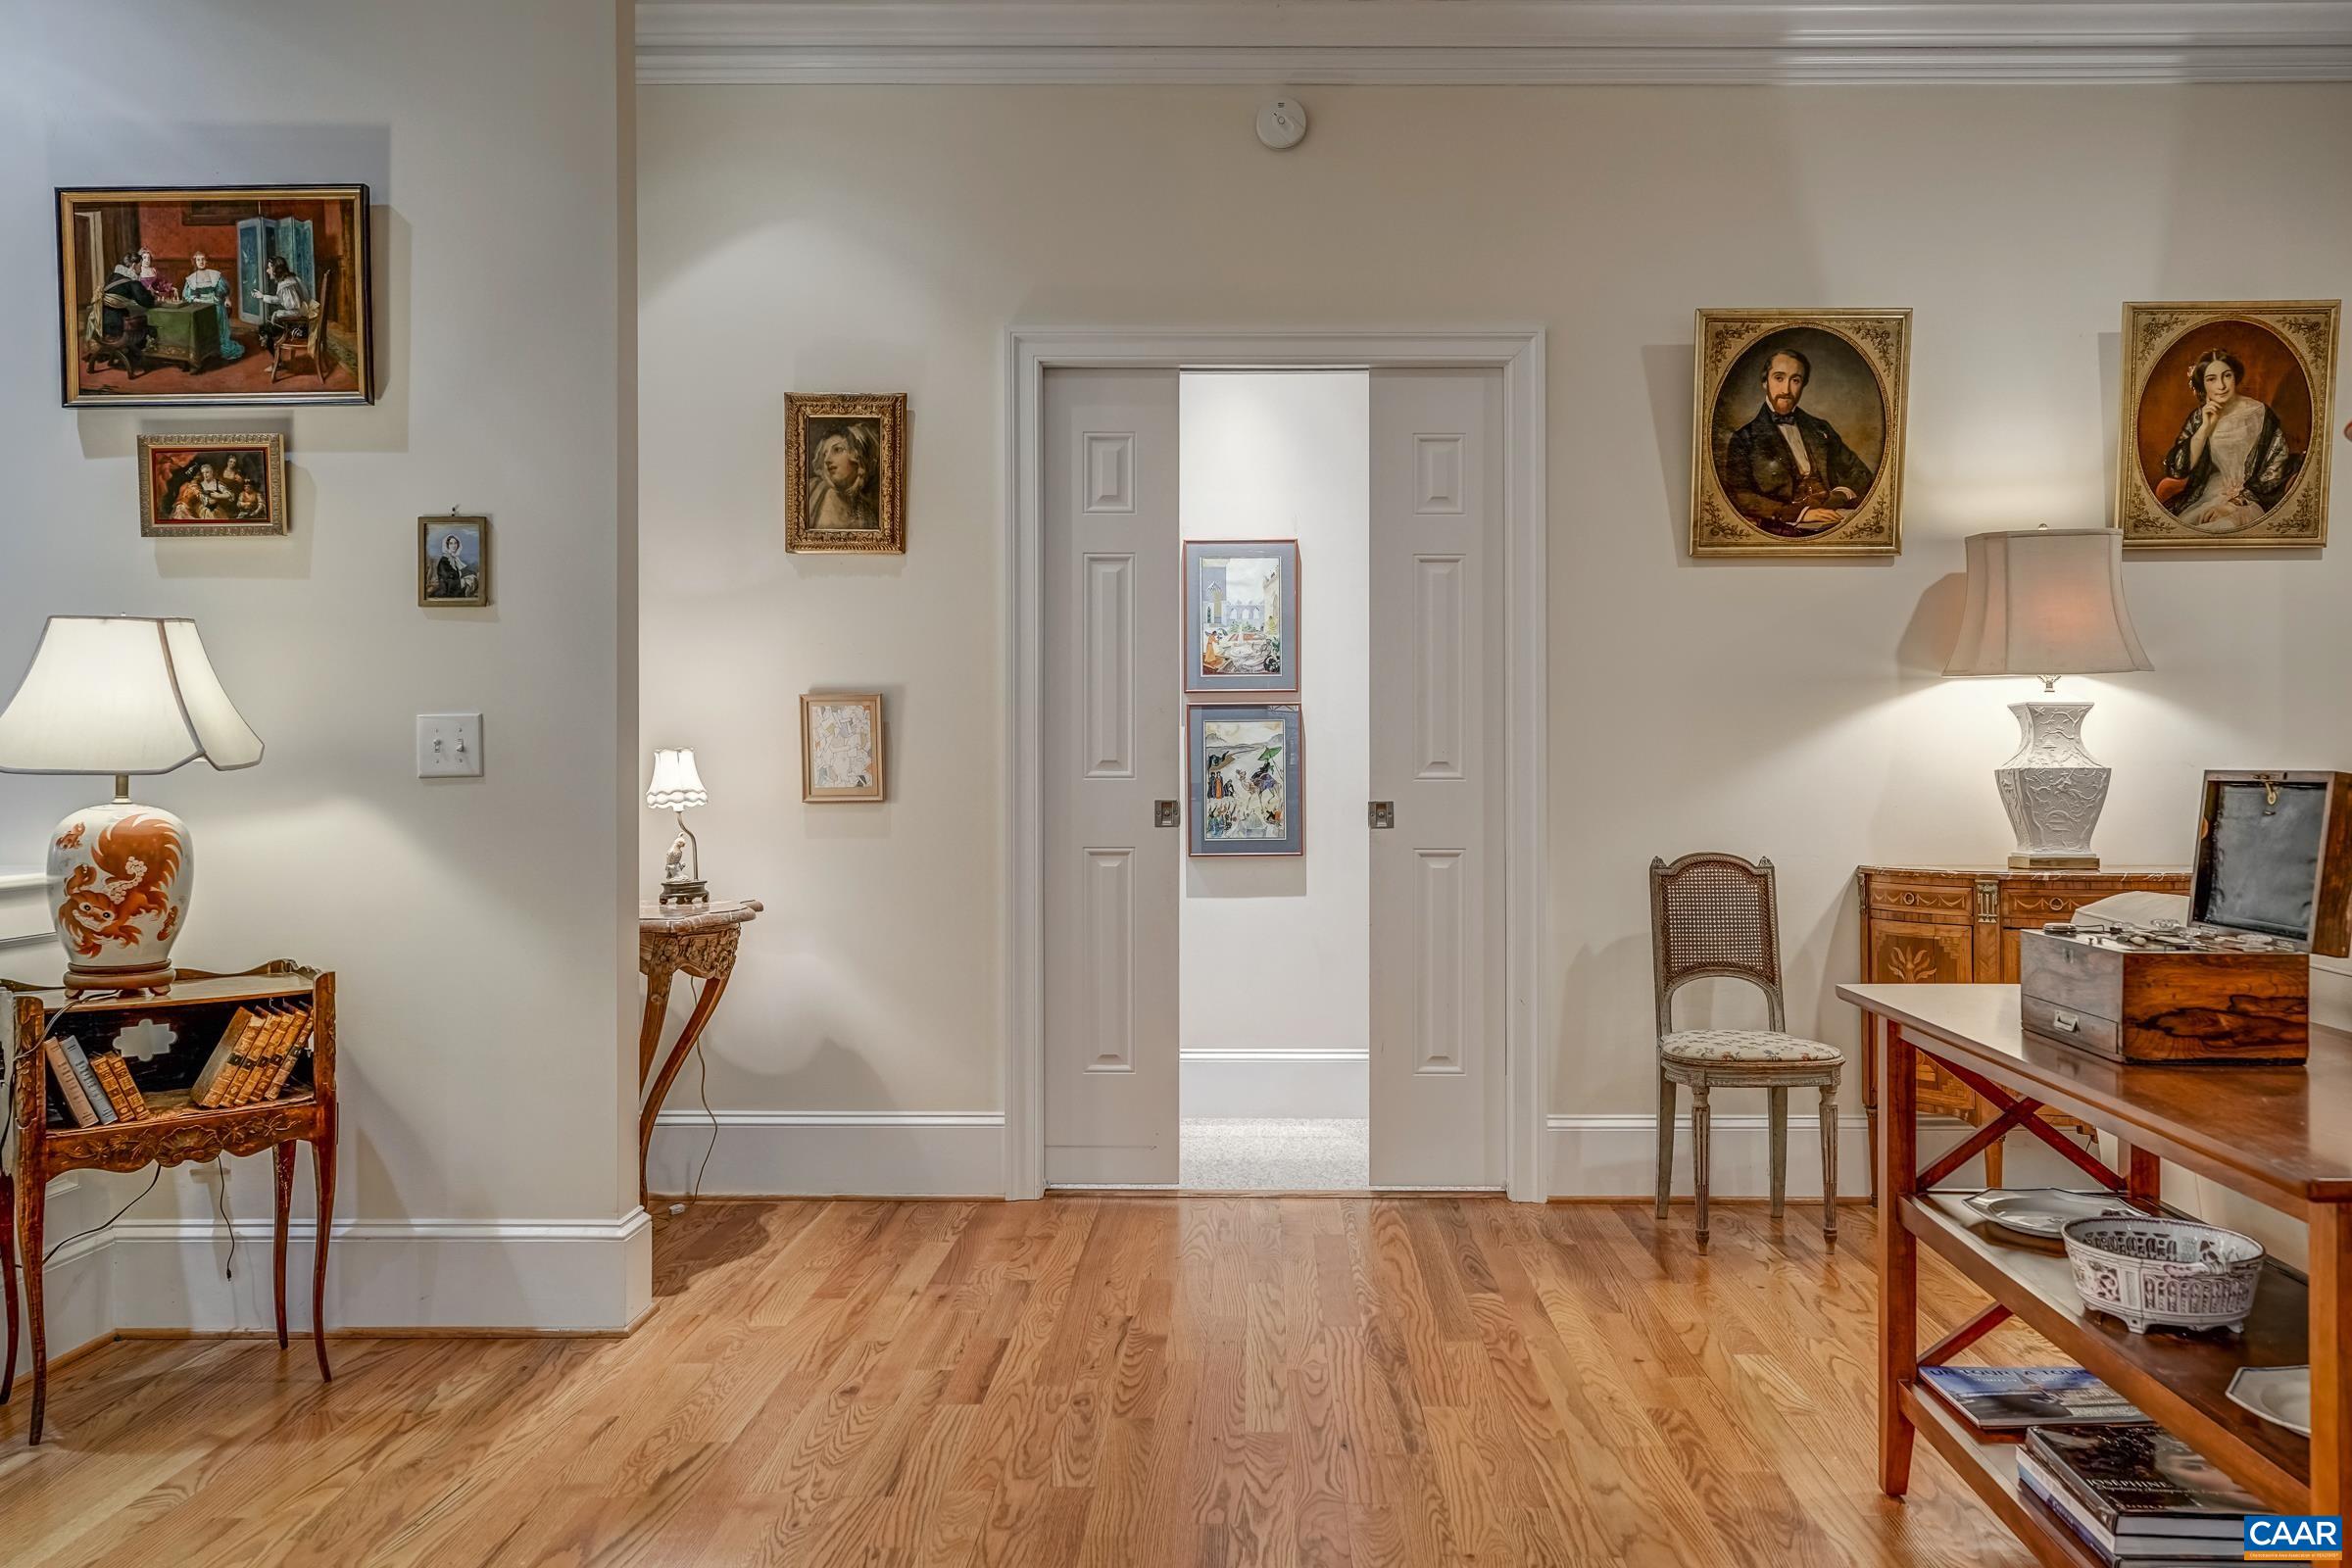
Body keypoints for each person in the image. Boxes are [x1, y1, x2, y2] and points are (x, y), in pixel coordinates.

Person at [1719, 346, 1878, 537]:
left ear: (1803, 385)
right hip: (1782, 527)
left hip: (1833, 518)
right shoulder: (1744, 438)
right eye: (1779, 378)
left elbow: (1859, 473)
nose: (1786, 390)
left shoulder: (1820, 428)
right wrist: (1800, 514)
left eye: (1795, 380)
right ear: (1765, 382)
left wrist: (1840, 495)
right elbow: (1739, 495)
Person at [2161, 348, 2297, 534]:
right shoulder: (2199, 418)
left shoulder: (2260, 413)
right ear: (2203, 385)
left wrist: (2235, 503)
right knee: (2183, 530)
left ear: (2235, 377)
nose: (2221, 386)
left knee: (2224, 527)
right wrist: (2204, 429)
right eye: (2212, 379)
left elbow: (2275, 467)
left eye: (2227, 376)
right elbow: (2177, 469)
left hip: (2251, 499)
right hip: (2208, 495)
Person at [805, 422, 882, 531]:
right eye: (825, 454)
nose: (827, 460)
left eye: (837, 450)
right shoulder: (809, 490)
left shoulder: (868, 516)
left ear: (859, 456)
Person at [177, 250, 244, 363]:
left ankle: (217, 346)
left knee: (218, 316)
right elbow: (187, 295)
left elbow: (224, 290)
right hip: (199, 305)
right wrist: (195, 299)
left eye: (203, 259)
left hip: (215, 303)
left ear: (207, 261)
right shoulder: (191, 278)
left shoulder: (215, 274)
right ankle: (204, 348)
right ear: (195, 262)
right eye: (198, 260)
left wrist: (226, 299)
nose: (201, 262)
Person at [253, 257, 313, 352]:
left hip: (301, 323)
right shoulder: (289, 280)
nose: (267, 271)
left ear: (276, 270)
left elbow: (296, 311)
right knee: (265, 326)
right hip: (301, 318)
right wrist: (262, 296)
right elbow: (282, 299)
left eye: (269, 268)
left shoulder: (287, 285)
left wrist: (278, 313)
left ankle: (276, 359)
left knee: (264, 330)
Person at [428, 533, 475, 600]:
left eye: (455, 543)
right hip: (447, 591)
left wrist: (469, 577)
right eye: (451, 543)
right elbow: (448, 579)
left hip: (454, 589)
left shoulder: (455, 559)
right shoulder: (444, 560)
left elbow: (460, 573)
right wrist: (464, 581)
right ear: (447, 545)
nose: (454, 545)